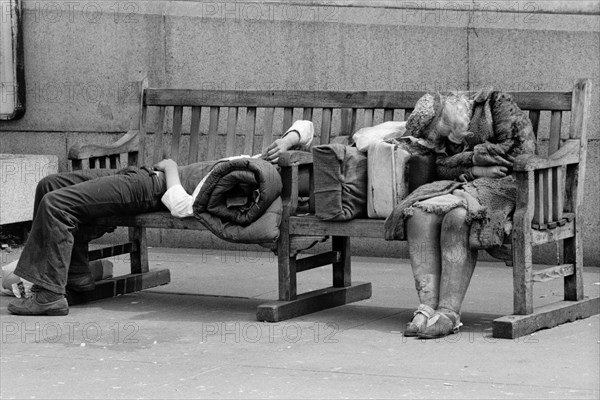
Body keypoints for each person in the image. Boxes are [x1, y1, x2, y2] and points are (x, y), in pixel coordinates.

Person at [7, 121, 314, 316]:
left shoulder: (246, 184)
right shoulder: (264, 170)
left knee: (56, 203)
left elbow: (185, 207)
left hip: (148, 187)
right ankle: (75, 276)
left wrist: (169, 168)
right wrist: (288, 141)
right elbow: (307, 126)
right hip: (139, 177)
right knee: (50, 184)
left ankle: (49, 294)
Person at [384, 89, 535, 339]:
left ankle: (448, 312)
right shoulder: (447, 137)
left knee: (457, 217)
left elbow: (518, 150)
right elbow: (443, 167)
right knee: (418, 215)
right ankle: (427, 307)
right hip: (468, 185)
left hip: (511, 185)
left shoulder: (494, 102)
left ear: (447, 115)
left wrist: (470, 161)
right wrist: (477, 168)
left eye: (441, 128)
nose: (444, 139)